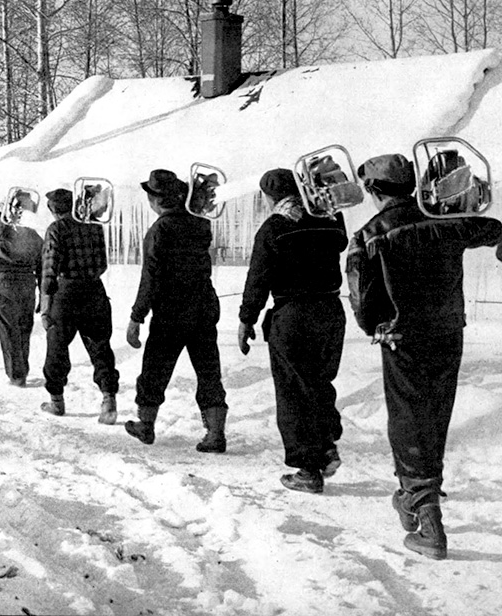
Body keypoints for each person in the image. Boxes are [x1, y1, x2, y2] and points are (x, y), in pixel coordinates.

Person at [347, 153, 502, 560]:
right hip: (449, 334)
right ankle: (417, 491)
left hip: (403, 338)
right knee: (435, 414)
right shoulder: (445, 221)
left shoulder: (368, 235)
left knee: (408, 419)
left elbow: (362, 302)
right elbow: (494, 229)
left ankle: (426, 514)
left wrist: (374, 327)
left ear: (373, 190)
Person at [238, 168, 348, 493]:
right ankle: (326, 446)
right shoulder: (329, 219)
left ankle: (307, 469)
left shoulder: (273, 228)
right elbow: (341, 239)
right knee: (318, 382)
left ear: (270, 197)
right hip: (331, 311)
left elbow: (258, 279)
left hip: (293, 316)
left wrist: (246, 320)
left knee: (292, 392)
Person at [124, 169, 228, 452]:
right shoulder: (201, 225)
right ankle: (215, 433)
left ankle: (146, 425)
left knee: (155, 370)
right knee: (208, 370)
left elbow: (151, 277)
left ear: (156, 200)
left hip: (170, 313)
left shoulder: (159, 230)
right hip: (203, 307)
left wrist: (136, 317)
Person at [39, 187, 119, 424]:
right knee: (100, 346)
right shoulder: (94, 226)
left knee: (57, 346)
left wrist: (45, 304)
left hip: (66, 293)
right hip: (95, 290)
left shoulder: (56, 229)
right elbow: (103, 264)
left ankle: (56, 401)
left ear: (53, 209)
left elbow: (49, 270)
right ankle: (109, 400)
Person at [0, 194, 43, 387]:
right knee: (24, 328)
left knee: (9, 330)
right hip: (28, 284)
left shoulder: (2, 228)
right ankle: (21, 370)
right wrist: (42, 294)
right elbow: (41, 265)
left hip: (6, 284)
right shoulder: (34, 234)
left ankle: (17, 375)